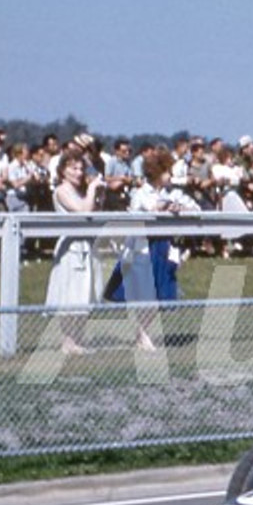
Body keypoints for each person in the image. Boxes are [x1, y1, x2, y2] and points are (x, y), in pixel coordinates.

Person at [106, 149, 199, 350]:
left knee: (159, 289)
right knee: (143, 291)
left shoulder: (171, 192)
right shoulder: (141, 192)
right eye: (167, 171)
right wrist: (168, 205)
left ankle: (143, 332)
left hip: (163, 245)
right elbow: (151, 207)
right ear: (157, 172)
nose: (170, 176)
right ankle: (142, 333)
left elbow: (194, 207)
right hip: (142, 246)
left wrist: (181, 207)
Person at [45, 153, 105, 354]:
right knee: (70, 294)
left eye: (81, 169)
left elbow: (94, 211)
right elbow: (82, 211)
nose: (79, 173)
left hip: (87, 244)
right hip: (71, 247)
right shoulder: (62, 190)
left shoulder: (79, 191)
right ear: (63, 170)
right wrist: (91, 189)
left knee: (85, 292)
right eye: (73, 168)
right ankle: (68, 341)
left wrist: (98, 194)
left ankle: (77, 339)